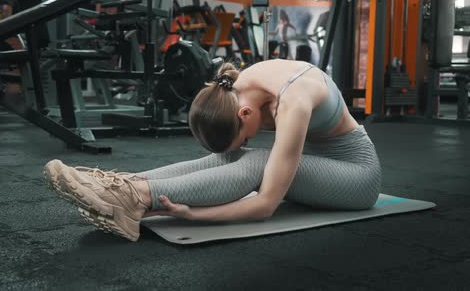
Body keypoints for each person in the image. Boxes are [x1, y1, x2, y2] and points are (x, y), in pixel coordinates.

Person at [44, 59, 382, 242]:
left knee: (258, 161)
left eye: (245, 135)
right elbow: (228, 153)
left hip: (356, 178)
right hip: (320, 166)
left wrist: (191, 215)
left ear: (244, 114)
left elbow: (265, 204)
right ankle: (120, 185)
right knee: (231, 155)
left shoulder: (294, 101)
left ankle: (136, 198)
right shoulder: (235, 89)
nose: (248, 140)